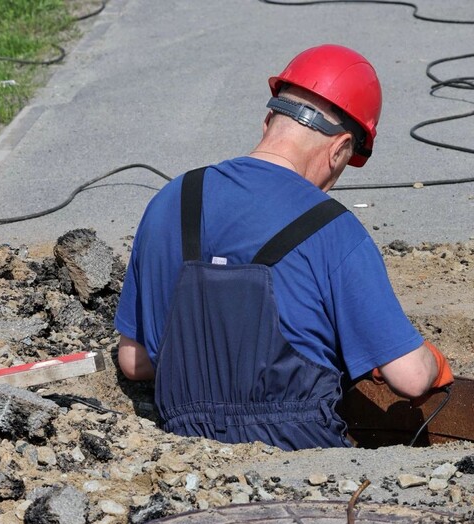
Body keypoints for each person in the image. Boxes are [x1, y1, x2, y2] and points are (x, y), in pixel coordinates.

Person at [114, 44, 453, 451]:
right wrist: (431, 362)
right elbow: (409, 378)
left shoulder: (170, 201)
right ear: (340, 148)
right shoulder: (335, 229)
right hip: (301, 459)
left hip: (190, 457)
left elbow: (135, 362)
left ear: (269, 120)